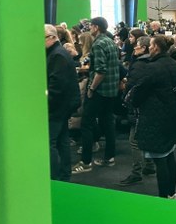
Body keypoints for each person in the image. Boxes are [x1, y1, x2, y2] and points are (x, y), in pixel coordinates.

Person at [131, 35, 176, 199]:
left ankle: (163, 198)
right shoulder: (173, 64)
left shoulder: (153, 68)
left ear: (156, 48)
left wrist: (133, 101)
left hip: (155, 116)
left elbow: (139, 90)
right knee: (169, 156)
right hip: (172, 113)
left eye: (151, 45)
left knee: (161, 160)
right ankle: (171, 194)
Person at [72, 17, 120, 174]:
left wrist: (91, 88)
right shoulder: (110, 42)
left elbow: (100, 71)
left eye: (91, 26)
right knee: (108, 123)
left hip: (99, 90)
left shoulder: (98, 44)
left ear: (96, 27)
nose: (89, 28)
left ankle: (86, 162)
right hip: (111, 90)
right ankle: (109, 157)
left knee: (86, 124)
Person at [118, 36, 156, 186]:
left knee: (134, 140)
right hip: (150, 105)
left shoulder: (139, 64)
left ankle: (136, 172)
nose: (134, 47)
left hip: (138, 106)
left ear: (144, 48)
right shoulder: (154, 62)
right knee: (146, 136)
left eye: (137, 46)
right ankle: (149, 165)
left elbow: (132, 86)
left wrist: (125, 95)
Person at [45, 24, 80, 181]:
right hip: (65, 104)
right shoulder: (59, 53)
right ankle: (64, 175)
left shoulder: (57, 55)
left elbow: (56, 87)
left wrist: (47, 103)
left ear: (52, 37)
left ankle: (54, 177)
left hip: (58, 106)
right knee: (62, 141)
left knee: (51, 143)